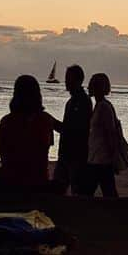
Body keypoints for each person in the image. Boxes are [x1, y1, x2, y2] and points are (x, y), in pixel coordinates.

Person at [0, 75, 61, 194]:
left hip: (12, 182)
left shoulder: (7, 122)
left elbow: (3, 154)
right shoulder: (46, 120)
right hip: (38, 181)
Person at [76, 72, 128, 198]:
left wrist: (113, 158)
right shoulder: (100, 106)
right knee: (107, 192)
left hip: (101, 159)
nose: (88, 87)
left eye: (92, 84)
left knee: (90, 192)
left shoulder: (103, 107)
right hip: (98, 158)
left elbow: (110, 134)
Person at [52, 65, 91, 195]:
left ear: (78, 80)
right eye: (66, 78)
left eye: (69, 79)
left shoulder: (82, 101)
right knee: (60, 188)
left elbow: (75, 129)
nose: (66, 82)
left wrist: (53, 123)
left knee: (75, 190)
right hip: (66, 153)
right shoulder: (72, 101)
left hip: (75, 154)